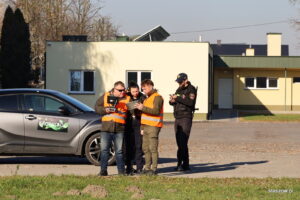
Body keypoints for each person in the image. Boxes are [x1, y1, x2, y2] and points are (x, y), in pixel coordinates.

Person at [95, 81, 130, 176]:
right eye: (119, 90)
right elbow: (96, 107)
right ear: (114, 89)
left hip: (119, 129)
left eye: (123, 90)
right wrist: (104, 110)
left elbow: (131, 111)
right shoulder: (106, 96)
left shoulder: (127, 98)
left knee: (119, 151)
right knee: (104, 150)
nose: (122, 92)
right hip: (106, 128)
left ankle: (121, 172)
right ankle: (103, 171)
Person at [135, 79, 164, 175]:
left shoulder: (157, 97)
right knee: (145, 148)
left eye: (145, 87)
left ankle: (154, 169)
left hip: (154, 126)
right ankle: (147, 168)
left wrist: (142, 108)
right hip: (146, 127)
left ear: (151, 86)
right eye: (142, 88)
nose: (143, 89)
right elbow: (145, 115)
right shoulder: (147, 98)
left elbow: (155, 111)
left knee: (153, 148)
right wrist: (142, 128)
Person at [169, 73, 196, 171]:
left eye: (180, 81)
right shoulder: (178, 89)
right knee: (179, 142)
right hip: (177, 117)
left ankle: (181, 164)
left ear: (186, 80)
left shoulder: (191, 89)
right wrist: (172, 101)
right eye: (178, 82)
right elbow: (177, 101)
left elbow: (190, 102)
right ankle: (185, 164)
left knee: (182, 141)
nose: (179, 83)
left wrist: (178, 98)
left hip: (186, 117)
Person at [124, 82, 146, 175]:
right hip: (128, 123)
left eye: (136, 91)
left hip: (139, 123)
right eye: (133, 91)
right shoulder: (126, 96)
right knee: (128, 146)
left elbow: (146, 110)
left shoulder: (143, 97)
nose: (135, 93)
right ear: (129, 91)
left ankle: (139, 168)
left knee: (138, 146)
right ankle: (129, 168)